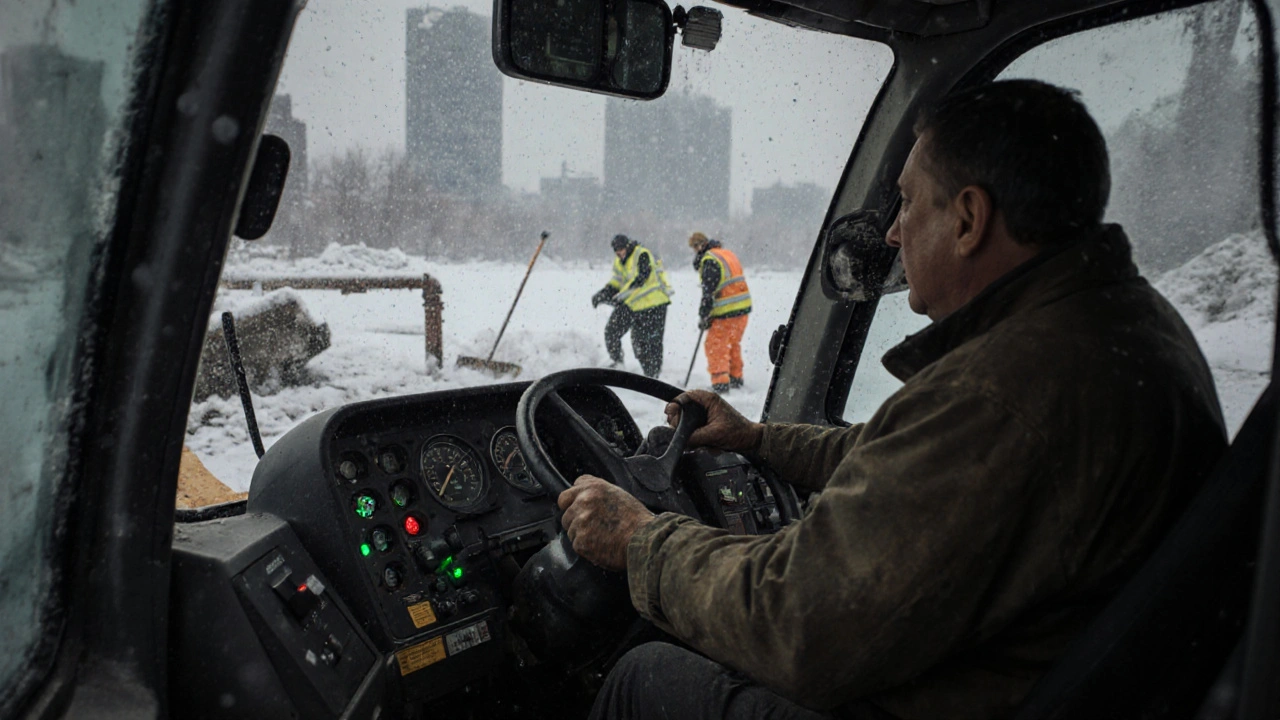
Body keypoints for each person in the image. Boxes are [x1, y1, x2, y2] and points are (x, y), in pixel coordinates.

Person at [558, 79, 1228, 719]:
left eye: (908, 203)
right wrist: (759, 440)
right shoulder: (1116, 328)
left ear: (968, 219)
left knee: (646, 678)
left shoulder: (1004, 391)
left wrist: (644, 540)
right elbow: (904, 451)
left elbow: (800, 625)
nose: (891, 233)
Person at [591, 234, 672, 378]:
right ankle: (618, 363)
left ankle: (653, 377)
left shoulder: (642, 255)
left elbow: (640, 279)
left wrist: (620, 296)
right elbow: (617, 282)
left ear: (627, 247)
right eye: (616, 251)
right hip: (633, 304)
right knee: (612, 331)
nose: (619, 253)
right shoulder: (619, 261)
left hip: (654, 305)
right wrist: (603, 293)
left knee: (649, 343)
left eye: (621, 250)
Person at [689, 232, 752, 392]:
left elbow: (708, 291)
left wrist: (704, 314)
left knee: (715, 344)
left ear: (701, 245)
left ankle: (720, 381)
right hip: (742, 307)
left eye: (696, 247)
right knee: (732, 342)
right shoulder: (726, 254)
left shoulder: (710, 260)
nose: (695, 250)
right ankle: (735, 377)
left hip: (726, 309)